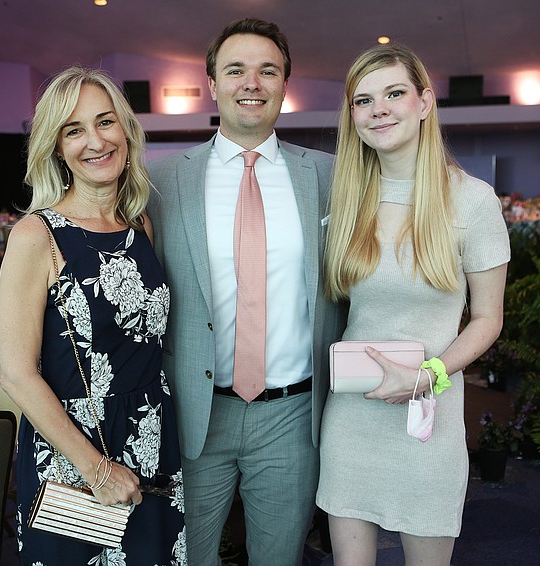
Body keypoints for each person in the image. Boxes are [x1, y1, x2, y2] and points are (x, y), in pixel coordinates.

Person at [148, 17, 341, 566]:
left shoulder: (329, 176)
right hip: (194, 412)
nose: (251, 82)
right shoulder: (161, 182)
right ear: (212, 82)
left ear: (285, 83)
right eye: (236, 69)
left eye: (267, 70)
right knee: (186, 558)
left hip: (292, 414)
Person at [316, 43, 510, 566]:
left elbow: (488, 319)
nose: (378, 109)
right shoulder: (346, 197)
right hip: (352, 417)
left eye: (394, 93)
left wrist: (428, 375)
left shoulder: (472, 200)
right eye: (363, 100)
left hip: (428, 415)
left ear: (424, 102)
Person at [0, 66, 186, 566]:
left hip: (151, 441)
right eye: (74, 130)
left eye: (105, 122)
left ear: (126, 129)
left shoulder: (140, 224)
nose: (95, 141)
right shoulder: (36, 235)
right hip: (72, 454)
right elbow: (16, 373)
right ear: (56, 147)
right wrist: (97, 470)